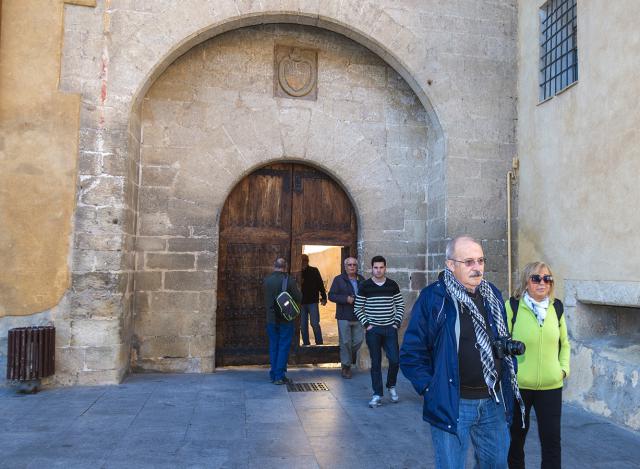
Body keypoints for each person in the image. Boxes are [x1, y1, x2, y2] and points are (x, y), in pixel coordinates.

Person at [400, 236, 526, 469]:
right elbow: (411, 352)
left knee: (497, 464)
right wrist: (431, 388)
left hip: (493, 400)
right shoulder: (434, 298)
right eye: (468, 262)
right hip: (453, 402)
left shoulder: (492, 295)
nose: (477, 267)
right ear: (451, 264)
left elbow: (501, 338)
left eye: (480, 260)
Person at [507, 262, 570, 469]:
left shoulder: (556, 307)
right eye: (536, 278)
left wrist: (563, 371)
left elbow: (565, 344)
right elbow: (501, 343)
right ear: (526, 282)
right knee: (515, 440)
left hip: (551, 386)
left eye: (547, 279)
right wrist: (509, 374)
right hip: (519, 387)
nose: (542, 283)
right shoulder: (513, 307)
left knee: (552, 442)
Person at [354, 255, 405, 407]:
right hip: (373, 330)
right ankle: (377, 394)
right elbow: (358, 307)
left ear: (385, 268)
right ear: (372, 268)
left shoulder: (392, 285)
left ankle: (391, 385)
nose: (378, 270)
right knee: (375, 363)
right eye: (376, 267)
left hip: (390, 329)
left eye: (381, 267)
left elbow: (400, 305)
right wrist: (367, 325)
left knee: (395, 360)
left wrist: (396, 323)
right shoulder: (365, 286)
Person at [263, 257, 302, 385]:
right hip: (285, 318)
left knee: (273, 346)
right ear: (285, 267)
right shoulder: (289, 280)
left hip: (271, 319)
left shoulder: (267, 280)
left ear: (274, 266)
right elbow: (298, 297)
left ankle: (274, 374)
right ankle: (279, 376)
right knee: (283, 346)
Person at [328, 256, 365, 379]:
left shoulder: (362, 279)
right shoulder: (339, 279)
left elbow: (366, 295)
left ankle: (346, 358)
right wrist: (345, 299)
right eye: (349, 265)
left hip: (359, 315)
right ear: (345, 267)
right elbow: (331, 296)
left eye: (354, 265)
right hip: (344, 315)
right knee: (345, 342)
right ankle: (346, 367)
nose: (352, 267)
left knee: (359, 341)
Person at [300, 254, 327, 345]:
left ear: (307, 261)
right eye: (302, 261)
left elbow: (320, 284)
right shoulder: (297, 272)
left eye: (305, 261)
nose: (303, 263)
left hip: (312, 302)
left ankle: (319, 344)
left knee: (315, 323)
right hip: (301, 303)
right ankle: (306, 344)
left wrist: (324, 297)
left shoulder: (314, 270)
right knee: (303, 325)